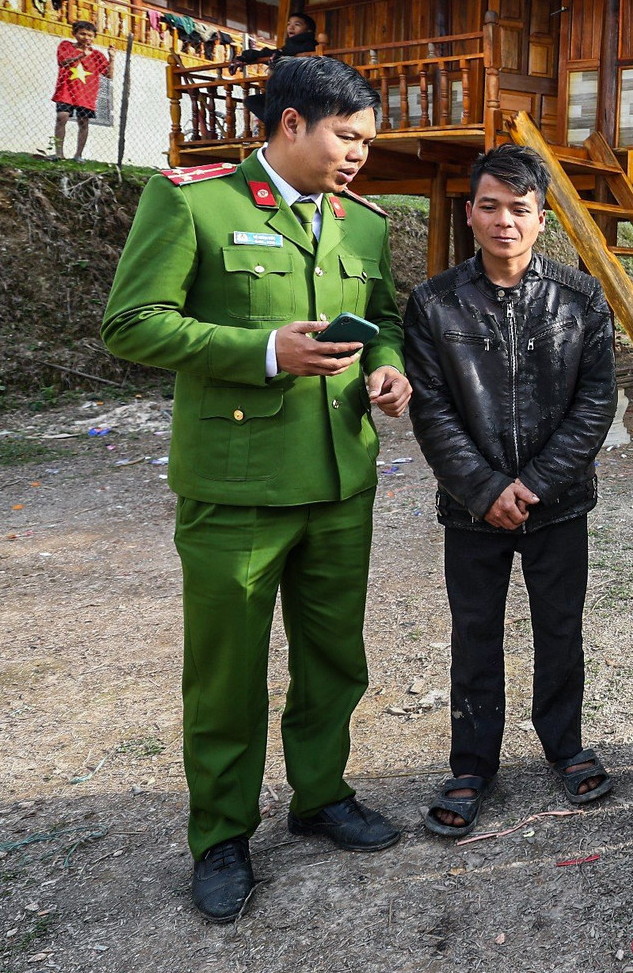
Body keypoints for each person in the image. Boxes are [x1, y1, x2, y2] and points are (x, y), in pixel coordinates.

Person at [100, 55, 414, 922]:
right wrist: (266, 351)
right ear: (291, 124)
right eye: (347, 137)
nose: (358, 155)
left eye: (366, 141)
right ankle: (222, 834)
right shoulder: (196, 203)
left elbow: (384, 319)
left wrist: (388, 369)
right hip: (236, 486)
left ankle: (321, 794)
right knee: (227, 673)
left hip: (339, 479)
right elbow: (132, 323)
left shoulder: (362, 223)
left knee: (333, 657)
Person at [401, 144, 619, 837]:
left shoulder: (580, 297)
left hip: (559, 504)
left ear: (541, 217)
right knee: (475, 633)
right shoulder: (434, 303)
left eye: (520, 208)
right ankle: (472, 765)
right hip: (472, 509)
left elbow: (596, 402)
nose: (505, 221)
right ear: (469, 213)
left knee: (560, 628)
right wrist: (485, 488)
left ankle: (565, 745)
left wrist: (535, 484)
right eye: (490, 206)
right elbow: (432, 408)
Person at [49, 20, 110, 160]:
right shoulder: (65, 46)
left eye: (90, 35)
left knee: (83, 122)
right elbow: (62, 62)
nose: (86, 38)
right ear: (74, 34)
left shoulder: (98, 55)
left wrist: (112, 58)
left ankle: (78, 155)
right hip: (66, 90)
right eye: (82, 34)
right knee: (62, 117)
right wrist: (81, 55)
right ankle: (59, 153)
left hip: (86, 94)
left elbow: (108, 74)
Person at [234, 11, 320, 68]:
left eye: (297, 24)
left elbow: (295, 50)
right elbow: (267, 53)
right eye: (289, 24)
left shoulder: (311, 45)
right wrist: (244, 57)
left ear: (309, 30)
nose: (291, 27)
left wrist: (280, 52)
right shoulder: (287, 47)